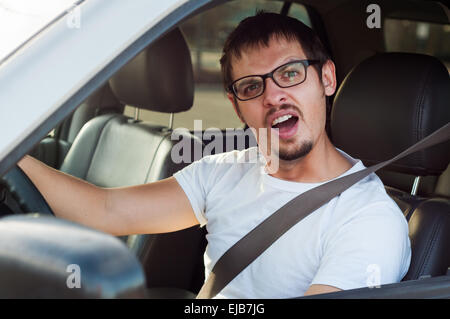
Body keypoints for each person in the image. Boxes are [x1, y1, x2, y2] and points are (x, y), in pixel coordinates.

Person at [17, 12, 411, 298]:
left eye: (290, 74)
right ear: (236, 104)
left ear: (326, 78)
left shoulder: (368, 218)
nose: (273, 96)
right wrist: (14, 156)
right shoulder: (225, 172)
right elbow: (105, 210)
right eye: (252, 86)